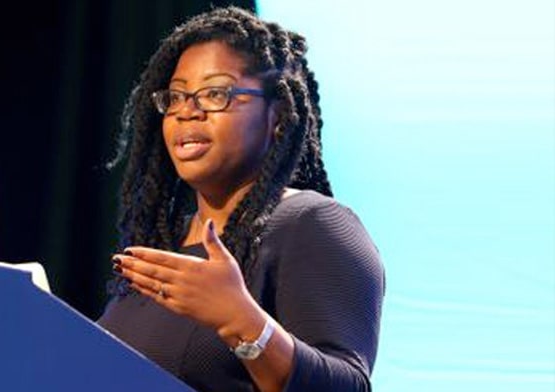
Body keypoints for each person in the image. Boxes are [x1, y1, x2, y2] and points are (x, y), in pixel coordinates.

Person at [97, 6, 384, 392]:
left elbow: (347, 386)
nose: (187, 112)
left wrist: (241, 320)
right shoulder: (163, 247)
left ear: (278, 114)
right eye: (177, 96)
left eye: (215, 93)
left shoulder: (310, 223)